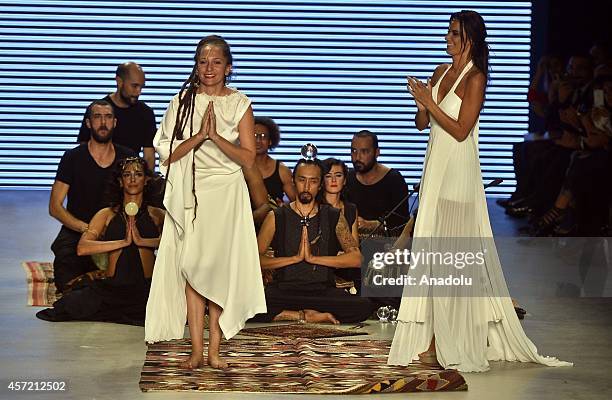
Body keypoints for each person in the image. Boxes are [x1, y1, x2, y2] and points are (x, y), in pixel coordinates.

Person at [388, 10, 571, 372]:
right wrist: (422, 103)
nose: (448, 37)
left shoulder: (476, 78)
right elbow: (423, 124)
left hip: (458, 173)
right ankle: (434, 339)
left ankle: (449, 341)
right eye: (448, 31)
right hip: (435, 169)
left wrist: (431, 102)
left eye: (455, 33)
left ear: (471, 38)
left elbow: (460, 130)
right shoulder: (440, 72)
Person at [144, 35, 266, 370]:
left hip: (227, 195)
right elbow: (167, 154)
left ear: (228, 67)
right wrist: (199, 136)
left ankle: (214, 352)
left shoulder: (240, 103)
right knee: (193, 269)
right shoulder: (182, 101)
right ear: (195, 65)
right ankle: (196, 351)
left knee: (219, 272)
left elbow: (247, 157)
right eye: (202, 61)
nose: (208, 68)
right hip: (192, 195)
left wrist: (215, 137)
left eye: (215, 62)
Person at [37, 157, 164, 324]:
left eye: (138, 174)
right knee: (67, 306)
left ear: (146, 180)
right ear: (120, 181)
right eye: (127, 174)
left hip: (145, 289)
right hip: (112, 289)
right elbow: (82, 248)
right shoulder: (106, 214)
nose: (132, 179)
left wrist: (142, 241)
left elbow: (172, 244)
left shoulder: (157, 215)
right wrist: (122, 242)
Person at [254, 158, 374, 323]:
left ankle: (297, 313)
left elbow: (356, 259)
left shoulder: (333, 216)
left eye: (313, 181)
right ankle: (301, 315)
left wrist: (314, 259)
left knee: (364, 306)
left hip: (321, 291)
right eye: (302, 180)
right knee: (246, 304)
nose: (307, 186)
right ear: (293, 181)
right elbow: (255, 259)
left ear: (320, 185)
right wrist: (293, 259)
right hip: (285, 290)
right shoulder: (276, 216)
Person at [49, 100, 135, 292]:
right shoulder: (72, 158)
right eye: (97, 117)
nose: (103, 122)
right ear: (88, 123)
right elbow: (55, 206)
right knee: (66, 282)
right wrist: (87, 229)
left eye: (108, 117)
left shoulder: (127, 158)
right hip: (77, 229)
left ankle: (98, 278)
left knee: (132, 281)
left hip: (114, 232)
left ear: (115, 122)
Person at [77, 62, 157, 172]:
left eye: (141, 87)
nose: (138, 92)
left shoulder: (145, 114)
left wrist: (146, 182)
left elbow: (149, 156)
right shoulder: (98, 111)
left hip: (129, 179)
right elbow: (84, 150)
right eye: (134, 86)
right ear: (119, 81)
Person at [346, 130, 410, 236]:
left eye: (364, 152)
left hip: (386, 247)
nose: (357, 157)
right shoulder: (347, 178)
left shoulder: (393, 180)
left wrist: (372, 225)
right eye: (354, 151)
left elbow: (403, 224)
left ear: (377, 153)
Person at [254, 116, 296, 204]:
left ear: (270, 141)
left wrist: (285, 210)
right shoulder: (238, 167)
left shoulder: (282, 170)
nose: (258, 140)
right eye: (254, 135)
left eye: (263, 136)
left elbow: (297, 203)